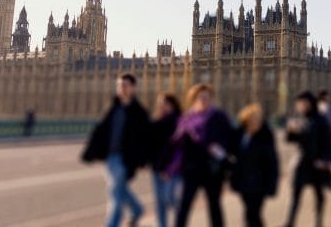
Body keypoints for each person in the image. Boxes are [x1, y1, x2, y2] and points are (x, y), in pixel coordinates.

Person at [81, 73, 150, 227]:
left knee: (115, 195)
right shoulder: (113, 107)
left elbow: (146, 139)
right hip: (111, 157)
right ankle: (137, 209)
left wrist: (142, 160)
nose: (122, 88)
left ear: (133, 88)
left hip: (125, 159)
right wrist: (90, 152)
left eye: (125, 85)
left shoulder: (139, 112)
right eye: (119, 85)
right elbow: (100, 131)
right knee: (117, 190)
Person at [168, 83, 235, 227]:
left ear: (211, 99)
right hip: (191, 168)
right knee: (184, 205)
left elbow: (230, 138)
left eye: (206, 97)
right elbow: (176, 144)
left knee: (214, 206)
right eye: (200, 97)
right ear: (193, 99)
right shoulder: (187, 118)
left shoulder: (219, 116)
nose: (203, 100)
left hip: (212, 169)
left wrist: (219, 147)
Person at [284, 91, 331, 227]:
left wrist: (325, 160)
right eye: (299, 104)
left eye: (304, 103)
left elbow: (328, 142)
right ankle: (290, 222)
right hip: (302, 160)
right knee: (296, 195)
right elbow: (290, 140)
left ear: (311, 103)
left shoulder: (320, 119)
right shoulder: (298, 117)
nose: (301, 106)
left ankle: (318, 221)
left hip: (317, 162)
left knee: (319, 194)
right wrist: (290, 131)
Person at [230, 103, 279, 227]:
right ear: (246, 120)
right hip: (243, 182)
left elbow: (273, 163)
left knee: (252, 214)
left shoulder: (265, 136)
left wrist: (272, 186)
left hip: (259, 183)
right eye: (253, 120)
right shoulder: (239, 134)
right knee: (250, 214)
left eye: (258, 120)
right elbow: (232, 154)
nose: (256, 123)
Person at [149, 92, 182, 227]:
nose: (162, 106)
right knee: (159, 202)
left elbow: (179, 148)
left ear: (172, 105)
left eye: (165, 103)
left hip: (172, 168)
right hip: (157, 167)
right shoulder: (156, 122)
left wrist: (170, 168)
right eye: (160, 104)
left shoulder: (179, 121)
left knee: (170, 198)